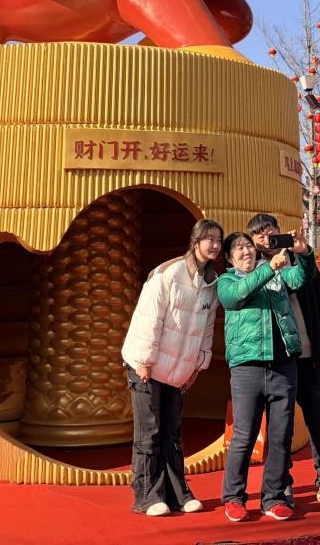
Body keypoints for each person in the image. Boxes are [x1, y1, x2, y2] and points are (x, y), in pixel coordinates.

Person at [247, 214, 320, 508]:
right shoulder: (254, 271)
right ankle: (282, 484)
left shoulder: (301, 262)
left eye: (270, 232)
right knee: (280, 426)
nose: (266, 239)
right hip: (278, 361)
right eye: (259, 235)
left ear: (281, 233)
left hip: (309, 359)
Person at [120, 218, 223, 516]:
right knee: (149, 433)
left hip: (178, 369)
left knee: (172, 433)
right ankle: (147, 496)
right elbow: (149, 318)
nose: (215, 245)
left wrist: (197, 366)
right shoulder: (168, 273)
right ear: (195, 241)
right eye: (209, 239)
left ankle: (178, 494)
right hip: (147, 364)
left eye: (218, 240)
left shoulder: (212, 282)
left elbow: (206, 330)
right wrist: (144, 360)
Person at [218, 228, 314, 523]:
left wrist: (304, 253)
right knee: (244, 435)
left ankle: (273, 497)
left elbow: (300, 279)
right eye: (238, 248)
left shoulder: (276, 273)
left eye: (249, 246)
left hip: (283, 364)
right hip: (247, 367)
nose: (246, 251)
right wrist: (269, 268)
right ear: (229, 258)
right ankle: (234, 497)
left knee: (281, 435)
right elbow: (237, 296)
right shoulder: (227, 281)